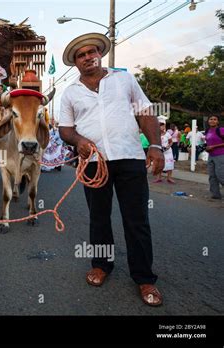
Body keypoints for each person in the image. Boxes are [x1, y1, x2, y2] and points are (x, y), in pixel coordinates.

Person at [58, 33, 164, 306]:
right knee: (99, 218)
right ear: (75, 62)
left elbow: (145, 112)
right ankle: (101, 266)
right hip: (94, 163)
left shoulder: (124, 79)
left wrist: (155, 146)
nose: (87, 57)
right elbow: (66, 130)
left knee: (136, 220)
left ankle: (144, 278)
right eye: (81, 55)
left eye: (92, 52)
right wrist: (79, 140)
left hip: (129, 157)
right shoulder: (70, 92)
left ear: (100, 54)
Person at [204, 115, 224, 199]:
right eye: (211, 119)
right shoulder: (207, 131)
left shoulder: (221, 130)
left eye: (215, 119)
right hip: (211, 156)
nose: (212, 121)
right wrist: (207, 148)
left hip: (220, 155)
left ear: (218, 122)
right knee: (212, 176)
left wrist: (214, 146)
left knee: (221, 175)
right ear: (208, 121)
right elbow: (208, 142)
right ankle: (216, 194)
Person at [153, 117, 175, 184]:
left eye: (162, 125)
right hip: (160, 151)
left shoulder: (167, 134)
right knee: (159, 164)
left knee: (169, 164)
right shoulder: (156, 134)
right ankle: (158, 178)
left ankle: (169, 178)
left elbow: (171, 142)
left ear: (164, 126)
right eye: (159, 125)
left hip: (167, 151)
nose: (161, 127)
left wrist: (168, 147)